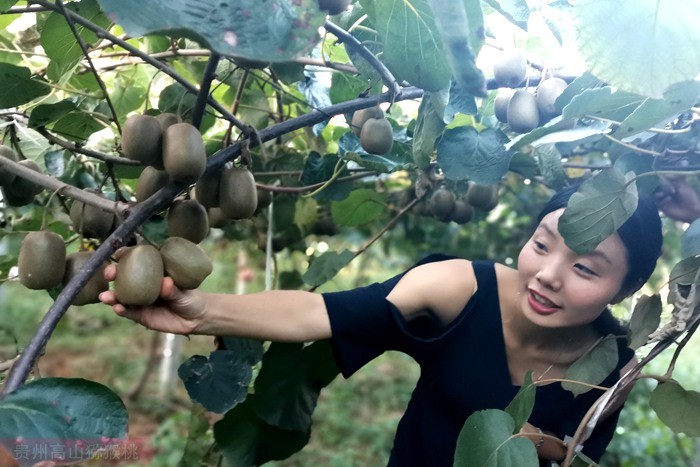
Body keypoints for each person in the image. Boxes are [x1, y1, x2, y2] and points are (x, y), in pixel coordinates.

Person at [99, 184, 663, 466]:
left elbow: (578, 455)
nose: (548, 275)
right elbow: (320, 313)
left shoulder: (615, 363)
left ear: (627, 289)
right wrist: (202, 311)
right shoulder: (459, 288)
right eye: (541, 244)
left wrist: (541, 443)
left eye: (586, 267)